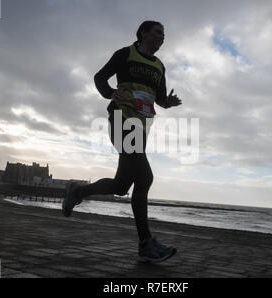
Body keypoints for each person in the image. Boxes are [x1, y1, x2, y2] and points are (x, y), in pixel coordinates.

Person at [62, 21, 182, 263]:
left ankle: (78, 191)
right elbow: (100, 77)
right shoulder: (126, 53)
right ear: (143, 33)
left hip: (142, 126)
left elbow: (158, 99)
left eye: (164, 34)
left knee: (120, 186)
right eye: (158, 32)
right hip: (121, 118)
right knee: (145, 177)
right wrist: (110, 92)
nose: (162, 37)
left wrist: (168, 102)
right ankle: (145, 243)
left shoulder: (159, 66)